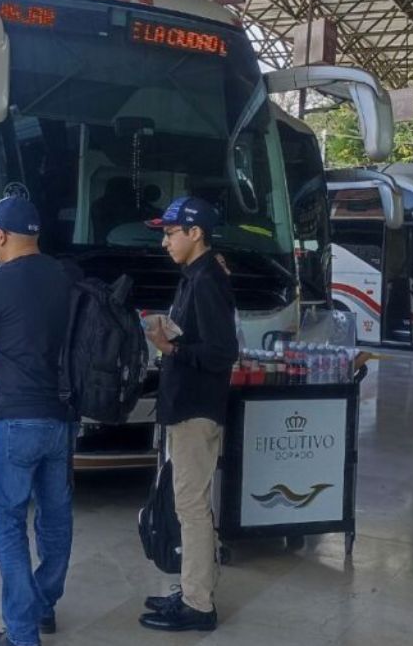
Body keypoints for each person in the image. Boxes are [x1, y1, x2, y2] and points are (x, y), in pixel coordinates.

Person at [0, 197, 75, 646]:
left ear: (0, 235)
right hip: (61, 417)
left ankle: (22, 635)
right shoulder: (66, 277)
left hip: (14, 420)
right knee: (56, 520)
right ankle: (44, 605)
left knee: (8, 524)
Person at [140, 196, 238, 632]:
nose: (165, 242)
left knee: (192, 506)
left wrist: (171, 347)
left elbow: (222, 352)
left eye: (170, 232)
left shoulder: (207, 280)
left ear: (195, 233)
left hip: (196, 410)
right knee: (189, 503)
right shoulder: (195, 276)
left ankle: (199, 605)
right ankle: (193, 585)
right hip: (185, 406)